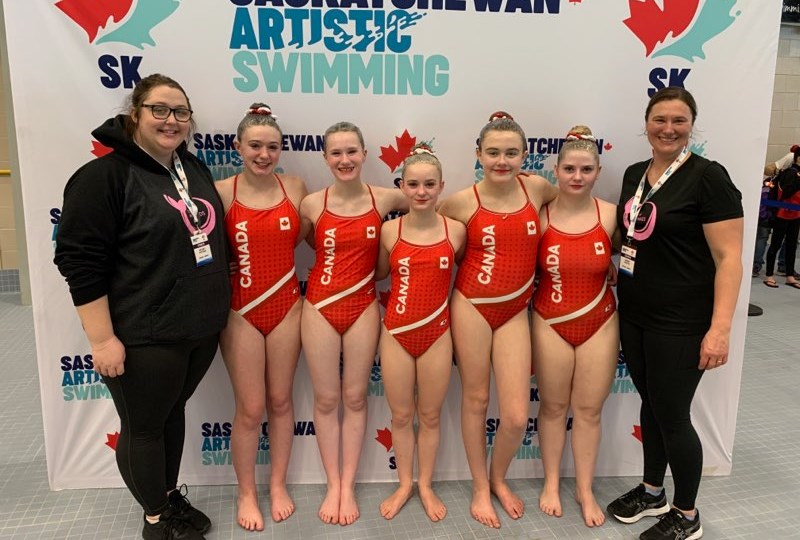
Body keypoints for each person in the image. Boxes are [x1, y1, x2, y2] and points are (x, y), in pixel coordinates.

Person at [54, 74, 231, 540]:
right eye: (159, 109)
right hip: (144, 334)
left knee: (170, 415)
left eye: (181, 112)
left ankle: (167, 498)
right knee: (145, 427)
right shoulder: (104, 177)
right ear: (135, 113)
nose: (171, 120)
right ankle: (156, 520)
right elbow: (78, 261)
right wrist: (102, 339)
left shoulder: (190, 167)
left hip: (196, 327)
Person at [607, 87, 743, 540]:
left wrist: (719, 329)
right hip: (636, 313)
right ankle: (652, 491)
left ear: (691, 127)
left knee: (674, 414)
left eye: (679, 121)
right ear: (646, 123)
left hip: (682, 320)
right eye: (660, 119)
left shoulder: (708, 177)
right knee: (653, 404)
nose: (668, 129)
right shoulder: (633, 174)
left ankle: (687, 514)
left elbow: (729, 260)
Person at [439, 112, 558, 529]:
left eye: (511, 153)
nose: (502, 161)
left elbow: (570, 217)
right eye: (493, 152)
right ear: (478, 155)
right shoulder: (459, 202)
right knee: (475, 399)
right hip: (472, 306)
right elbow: (432, 244)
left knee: (514, 416)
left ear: (526, 155)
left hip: (514, 313)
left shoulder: (539, 188)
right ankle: (478, 487)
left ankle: (498, 477)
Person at [299, 122, 408, 526]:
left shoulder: (385, 198)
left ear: (365, 154)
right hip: (320, 308)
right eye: (336, 153)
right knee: (327, 400)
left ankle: (349, 482)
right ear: (325, 158)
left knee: (356, 398)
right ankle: (334, 485)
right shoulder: (311, 204)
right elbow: (304, 242)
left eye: (352, 152)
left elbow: (428, 200)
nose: (345, 160)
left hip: (363, 307)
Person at [216, 104, 311, 531]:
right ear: (238, 146)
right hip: (241, 311)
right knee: (250, 409)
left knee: (281, 401)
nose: (264, 153)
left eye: (272, 146)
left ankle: (277, 485)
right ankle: (247, 492)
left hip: (288, 306)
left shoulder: (295, 187)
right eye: (255, 145)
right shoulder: (221, 191)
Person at [531, 126, 619, 528]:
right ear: (555, 170)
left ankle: (584, 488)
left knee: (588, 410)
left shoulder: (610, 214)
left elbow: (625, 258)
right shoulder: (539, 215)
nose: (577, 176)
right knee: (552, 407)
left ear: (598, 171)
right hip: (550, 321)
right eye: (569, 168)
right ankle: (551, 481)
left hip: (600, 321)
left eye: (586, 168)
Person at [374, 144, 466, 522]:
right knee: (400, 416)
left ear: (441, 186)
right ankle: (404, 484)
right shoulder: (389, 230)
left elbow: (471, 273)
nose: (422, 191)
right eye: (413, 184)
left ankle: (425, 485)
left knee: (429, 416)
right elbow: (379, 272)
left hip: (437, 334)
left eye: (430, 184)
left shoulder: (456, 231)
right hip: (396, 332)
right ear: (402, 186)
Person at [763, 147, 800, 289]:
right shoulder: (789, 173)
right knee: (775, 244)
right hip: (782, 214)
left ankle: (790, 275)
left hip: (796, 215)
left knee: (791, 245)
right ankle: (769, 274)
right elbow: (786, 193)